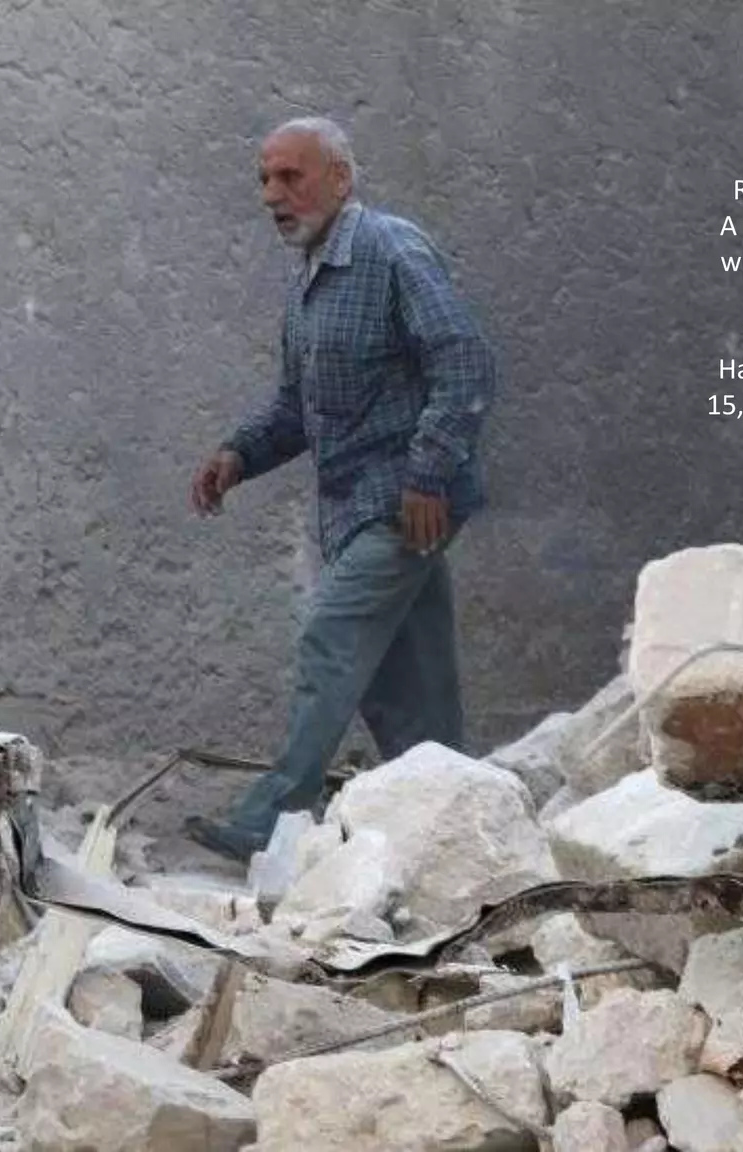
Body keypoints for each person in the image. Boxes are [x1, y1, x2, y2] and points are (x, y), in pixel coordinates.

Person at [184, 116, 497, 860]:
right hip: (356, 511)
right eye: (264, 178)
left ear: (341, 178)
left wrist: (428, 472)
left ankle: (274, 817)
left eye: (290, 176)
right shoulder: (308, 289)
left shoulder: (391, 251)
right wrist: (238, 453)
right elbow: (297, 407)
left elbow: (465, 362)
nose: (272, 194)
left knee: (332, 638)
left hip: (404, 503)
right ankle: (455, 819)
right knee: (409, 686)